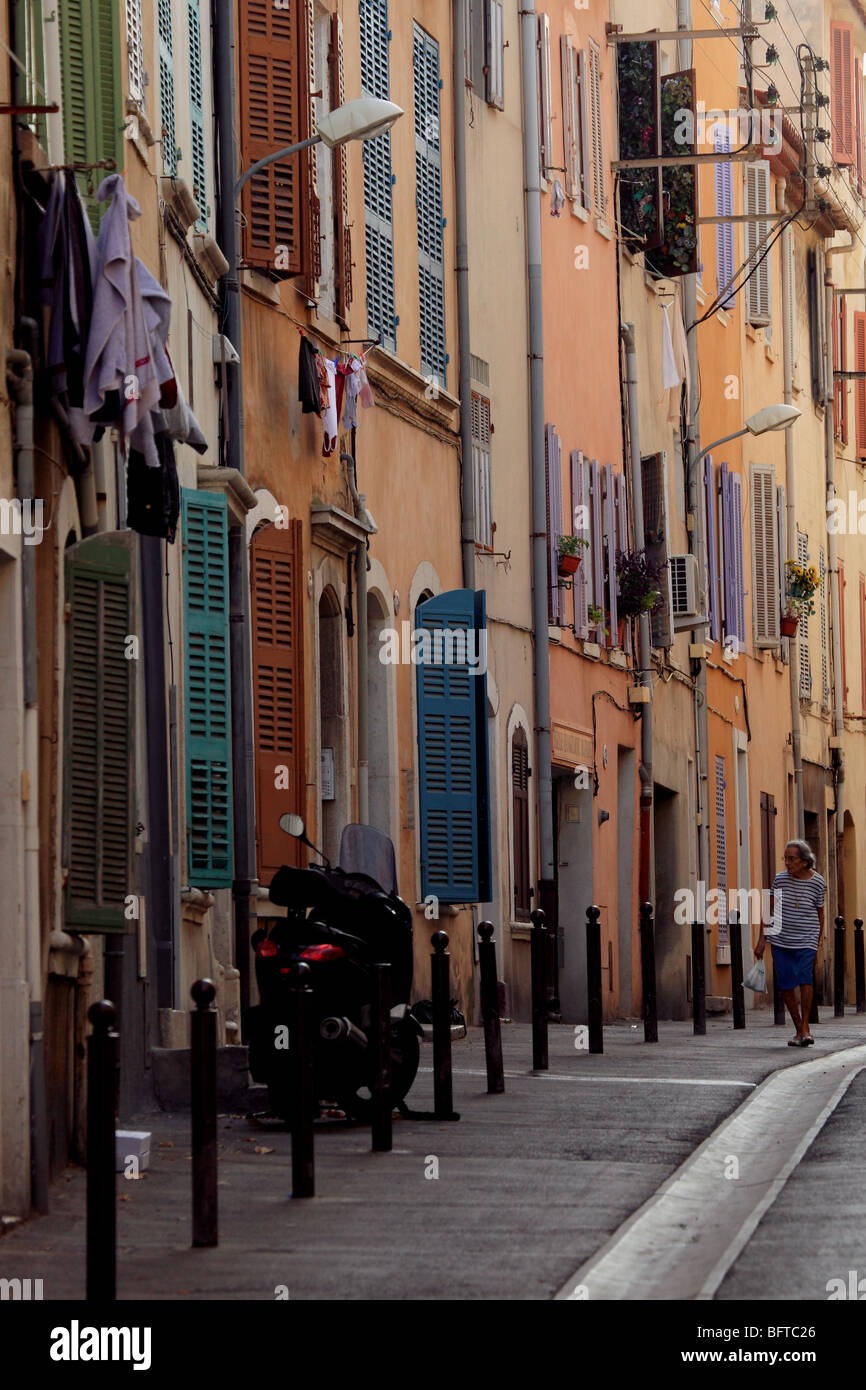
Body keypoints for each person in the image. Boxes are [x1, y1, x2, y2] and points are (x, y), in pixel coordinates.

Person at [754, 840, 825, 1047]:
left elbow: (820, 915)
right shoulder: (780, 880)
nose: (787, 862)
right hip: (781, 939)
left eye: (791, 858)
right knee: (786, 985)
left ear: (804, 861)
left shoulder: (818, 882)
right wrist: (761, 940)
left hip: (806, 939)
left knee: (805, 980)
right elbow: (769, 910)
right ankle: (798, 1029)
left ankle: (806, 1028)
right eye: (785, 858)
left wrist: (817, 944)